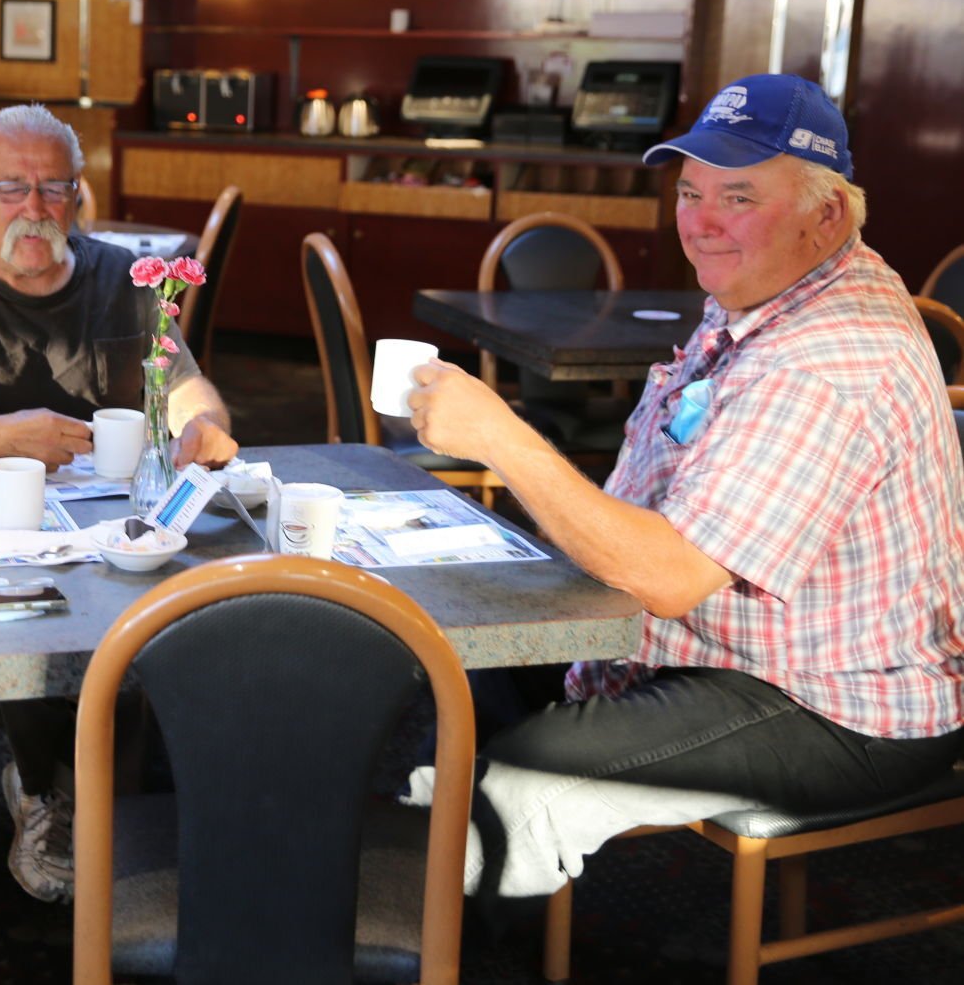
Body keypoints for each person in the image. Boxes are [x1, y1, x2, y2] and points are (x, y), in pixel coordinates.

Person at [403, 74, 964, 904]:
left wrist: (499, 435)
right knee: (446, 654)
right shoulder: (773, 281)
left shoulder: (827, 360)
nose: (700, 223)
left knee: (516, 784)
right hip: (721, 648)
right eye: (691, 191)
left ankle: (398, 914)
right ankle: (442, 885)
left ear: (827, 215)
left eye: (737, 196)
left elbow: (668, 577)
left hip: (835, 704)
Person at [0, 103, 239, 902]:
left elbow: (185, 384)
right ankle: (44, 784)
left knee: (209, 589)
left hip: (112, 527)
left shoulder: (125, 283)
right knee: (33, 604)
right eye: (11, 187)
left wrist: (203, 424)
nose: (32, 208)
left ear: (78, 197)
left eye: (52, 188)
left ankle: (137, 778)